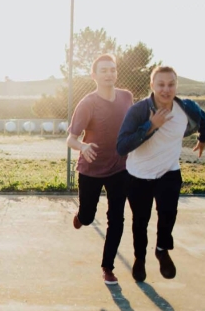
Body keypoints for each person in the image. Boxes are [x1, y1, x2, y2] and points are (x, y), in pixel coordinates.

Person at [117, 66, 205, 282]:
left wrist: (203, 139)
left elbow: (204, 120)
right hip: (138, 175)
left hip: (169, 172)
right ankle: (139, 258)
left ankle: (161, 249)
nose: (166, 89)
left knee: (168, 215)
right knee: (140, 221)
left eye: (171, 84)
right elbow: (121, 146)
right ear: (152, 86)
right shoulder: (139, 111)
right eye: (161, 84)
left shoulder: (187, 108)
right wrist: (151, 126)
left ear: (176, 86)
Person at [67, 54, 133, 285]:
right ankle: (80, 217)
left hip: (120, 167)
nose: (109, 74)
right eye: (104, 70)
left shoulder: (126, 97)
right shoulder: (87, 103)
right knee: (88, 216)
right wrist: (83, 146)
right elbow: (71, 139)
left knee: (116, 218)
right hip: (91, 168)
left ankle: (107, 267)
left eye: (112, 70)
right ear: (94, 75)